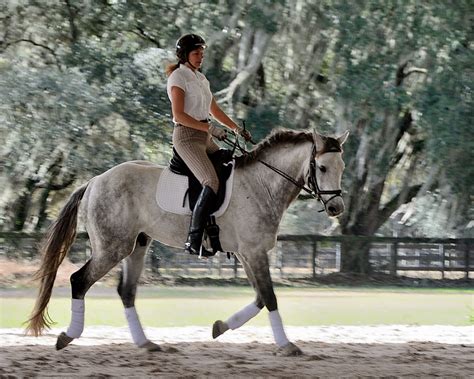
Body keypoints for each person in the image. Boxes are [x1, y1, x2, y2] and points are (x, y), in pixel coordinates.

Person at [166, 33, 251, 257]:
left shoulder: (201, 79)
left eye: (202, 54)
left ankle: (221, 229)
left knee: (233, 166)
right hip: (186, 138)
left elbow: (214, 110)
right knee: (210, 180)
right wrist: (210, 129)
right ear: (184, 55)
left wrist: (236, 129)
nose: (200, 57)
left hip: (205, 137)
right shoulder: (178, 77)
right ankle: (193, 239)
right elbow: (179, 115)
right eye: (196, 53)